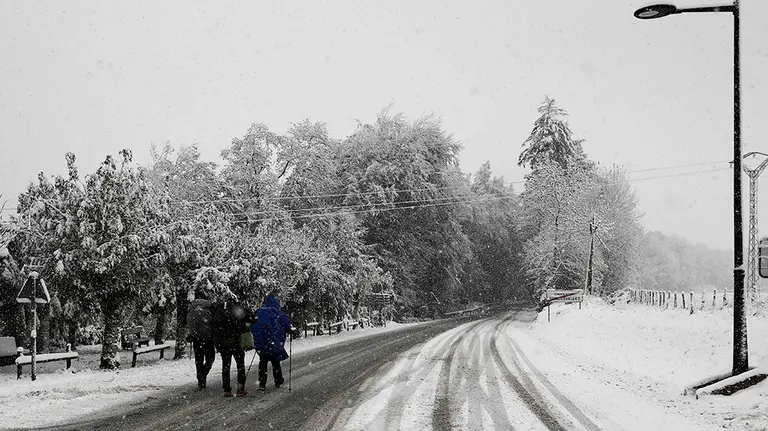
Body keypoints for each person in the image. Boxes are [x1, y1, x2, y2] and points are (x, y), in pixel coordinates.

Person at [212, 294, 255, 397]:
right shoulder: (238, 309)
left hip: (223, 342)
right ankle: (240, 388)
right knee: (240, 364)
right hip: (237, 342)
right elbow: (251, 318)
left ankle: (227, 389)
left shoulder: (219, 309)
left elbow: (214, 325)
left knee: (226, 365)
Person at [251, 293, 291, 390]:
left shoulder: (260, 312)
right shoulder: (279, 313)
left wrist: (257, 341)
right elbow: (287, 326)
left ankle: (262, 384)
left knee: (263, 362)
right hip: (275, 343)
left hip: (263, 343)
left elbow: (254, 325)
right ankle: (278, 380)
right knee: (275, 362)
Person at [187, 288, 215, 390]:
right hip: (208, 337)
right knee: (210, 358)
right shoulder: (209, 306)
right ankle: (204, 373)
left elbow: (187, 322)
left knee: (199, 359)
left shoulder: (191, 307)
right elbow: (214, 321)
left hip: (196, 337)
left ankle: (201, 379)